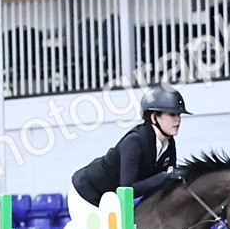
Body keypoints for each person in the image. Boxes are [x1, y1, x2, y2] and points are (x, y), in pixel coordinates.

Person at [69, 87, 191, 219]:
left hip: (111, 200)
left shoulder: (169, 144)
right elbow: (127, 190)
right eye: (172, 114)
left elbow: (167, 183)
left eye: (179, 115)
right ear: (154, 117)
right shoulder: (134, 142)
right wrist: (164, 177)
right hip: (87, 193)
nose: (178, 119)